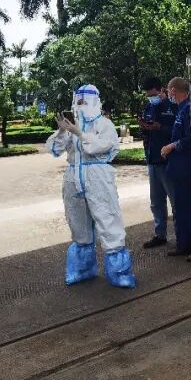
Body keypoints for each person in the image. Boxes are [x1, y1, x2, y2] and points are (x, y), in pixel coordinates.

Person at [46, 85, 136, 288]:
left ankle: (120, 273)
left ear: (95, 101)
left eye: (85, 101)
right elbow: (54, 149)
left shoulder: (104, 124)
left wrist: (79, 133)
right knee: (78, 223)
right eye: (78, 101)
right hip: (73, 177)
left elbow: (103, 147)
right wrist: (62, 130)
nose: (80, 104)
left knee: (108, 220)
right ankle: (82, 269)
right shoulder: (70, 126)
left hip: (98, 177)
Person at [160, 77, 191, 260]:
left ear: (174, 90)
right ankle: (184, 244)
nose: (168, 94)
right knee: (180, 208)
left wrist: (172, 146)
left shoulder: (188, 109)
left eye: (168, 90)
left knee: (188, 207)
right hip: (177, 167)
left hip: (185, 167)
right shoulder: (180, 109)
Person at [138, 77, 177, 249]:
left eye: (152, 94)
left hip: (168, 161)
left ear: (161, 90)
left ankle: (183, 237)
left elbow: (178, 132)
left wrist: (159, 127)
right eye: (147, 95)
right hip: (153, 160)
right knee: (156, 201)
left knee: (175, 200)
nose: (150, 98)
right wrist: (145, 128)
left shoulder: (172, 107)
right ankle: (160, 234)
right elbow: (147, 132)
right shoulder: (149, 107)